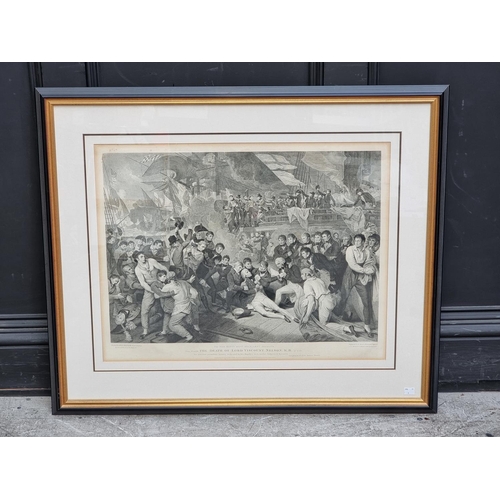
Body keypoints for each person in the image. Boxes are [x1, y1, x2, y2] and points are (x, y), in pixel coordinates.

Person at [334, 234, 376, 336]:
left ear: (363, 242)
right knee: (344, 297)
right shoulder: (350, 249)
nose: (356, 242)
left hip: (361, 276)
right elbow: (352, 264)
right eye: (355, 241)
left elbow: (369, 262)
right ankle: (337, 319)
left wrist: (369, 269)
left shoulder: (367, 251)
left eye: (358, 241)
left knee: (366, 300)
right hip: (350, 274)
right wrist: (365, 270)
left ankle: (367, 325)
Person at [133, 251, 169, 338]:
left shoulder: (151, 261)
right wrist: (154, 291)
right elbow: (143, 283)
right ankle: (145, 331)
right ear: (137, 259)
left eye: (144, 256)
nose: (144, 258)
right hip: (149, 288)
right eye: (141, 257)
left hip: (160, 283)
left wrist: (167, 279)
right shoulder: (137, 269)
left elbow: (163, 268)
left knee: (168, 306)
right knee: (144, 310)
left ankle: (167, 329)